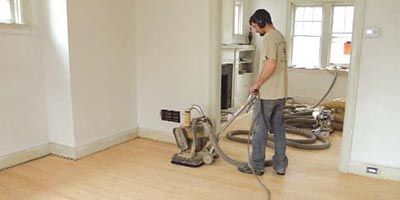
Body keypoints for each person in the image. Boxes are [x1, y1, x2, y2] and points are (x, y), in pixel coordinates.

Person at [238, 9, 288, 176]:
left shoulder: (269, 38)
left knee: (260, 130)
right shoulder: (280, 37)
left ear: (261, 22)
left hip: (268, 94)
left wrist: (257, 84)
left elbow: (271, 64)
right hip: (281, 92)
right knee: (279, 130)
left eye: (255, 26)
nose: (254, 30)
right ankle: (280, 165)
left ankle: (257, 165)